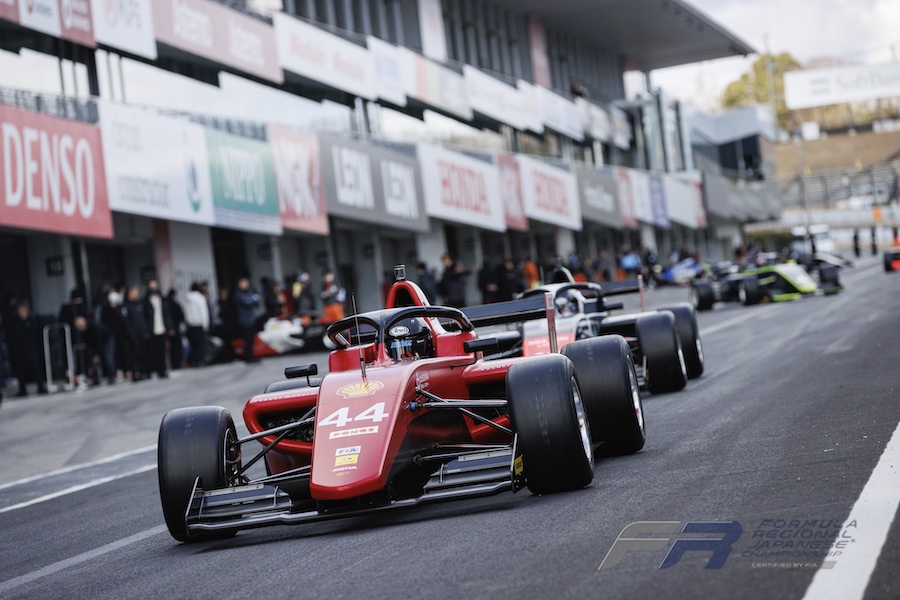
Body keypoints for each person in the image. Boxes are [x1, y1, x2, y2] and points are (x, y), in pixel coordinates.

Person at [7, 300, 46, 396]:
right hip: (19, 348)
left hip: (31, 347)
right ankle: (23, 389)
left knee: (36, 368)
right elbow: (13, 334)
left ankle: (41, 387)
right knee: (20, 369)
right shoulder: (15, 321)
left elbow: (35, 331)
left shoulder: (32, 319)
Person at [123, 285, 150, 381]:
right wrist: (131, 335)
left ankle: (143, 372)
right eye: (135, 292)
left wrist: (146, 331)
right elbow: (127, 324)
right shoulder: (126, 306)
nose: (137, 294)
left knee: (143, 355)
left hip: (142, 334)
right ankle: (135, 374)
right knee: (133, 356)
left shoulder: (139, 304)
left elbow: (144, 319)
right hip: (132, 336)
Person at [144, 280, 171, 378]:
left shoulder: (162, 300)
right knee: (152, 352)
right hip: (151, 330)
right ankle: (151, 370)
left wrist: (169, 327)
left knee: (162, 352)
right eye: (151, 286)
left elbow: (167, 315)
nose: (153, 288)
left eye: (155, 286)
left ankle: (162, 370)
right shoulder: (145, 301)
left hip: (161, 328)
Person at [99, 288, 125, 383]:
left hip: (120, 334)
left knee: (120, 353)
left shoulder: (120, 307)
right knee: (109, 354)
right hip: (109, 335)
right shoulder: (105, 308)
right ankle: (112, 374)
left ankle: (122, 371)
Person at [233, 277, 261, 363]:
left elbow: (257, 301)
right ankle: (248, 357)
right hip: (244, 320)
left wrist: (252, 299)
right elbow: (247, 302)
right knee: (247, 340)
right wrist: (253, 299)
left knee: (251, 339)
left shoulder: (249, 292)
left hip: (251, 319)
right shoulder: (238, 294)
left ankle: (252, 355)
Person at [183, 282, 210, 368]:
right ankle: (201, 360)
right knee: (200, 344)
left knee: (193, 344)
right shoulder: (200, 298)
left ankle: (194, 361)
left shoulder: (187, 299)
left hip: (190, 325)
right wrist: (205, 324)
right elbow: (203, 312)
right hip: (199, 324)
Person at [165, 289, 185, 370]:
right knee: (177, 346)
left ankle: (173, 363)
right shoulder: (175, 304)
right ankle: (177, 363)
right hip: (176, 328)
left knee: (172, 348)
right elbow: (181, 316)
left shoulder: (166, 304)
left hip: (169, 329)